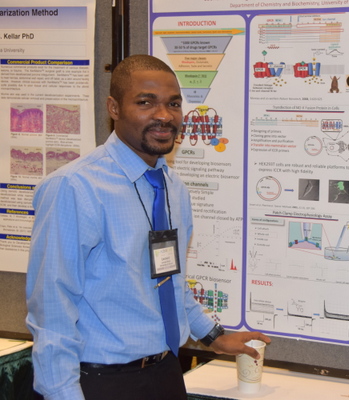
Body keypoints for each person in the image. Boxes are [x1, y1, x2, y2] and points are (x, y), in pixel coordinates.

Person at [25, 54, 270, 400]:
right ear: (114, 107)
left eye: (173, 104)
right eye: (145, 102)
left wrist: (214, 336)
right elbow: (51, 307)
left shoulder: (171, 188)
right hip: (98, 382)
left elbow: (169, 282)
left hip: (165, 374)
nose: (164, 115)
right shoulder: (75, 188)